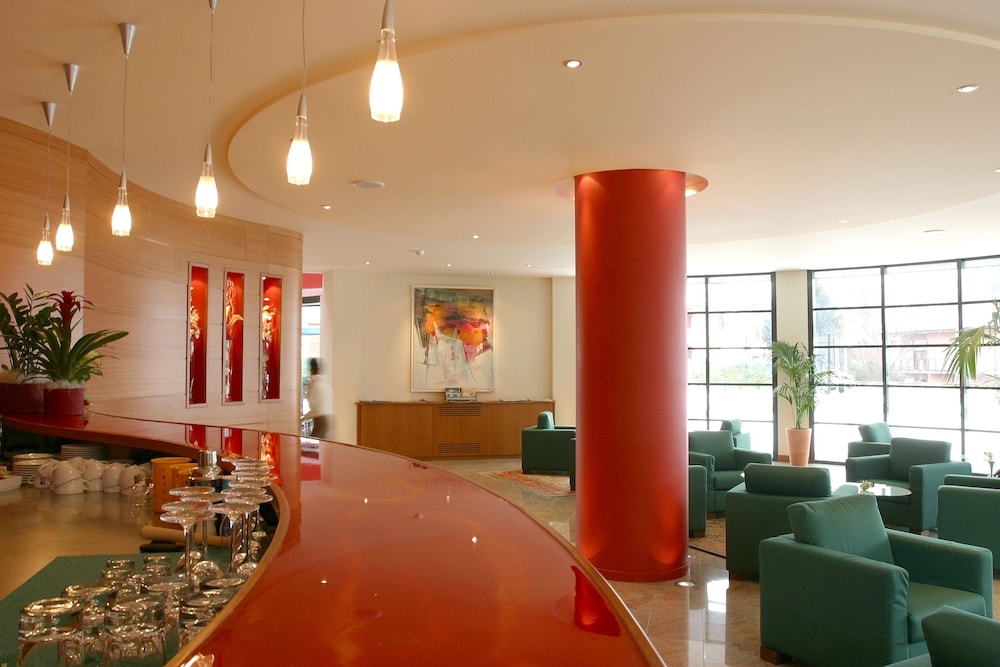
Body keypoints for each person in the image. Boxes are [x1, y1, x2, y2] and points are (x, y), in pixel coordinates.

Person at [303, 358, 332, 438]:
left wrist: (303, 418)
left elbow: (314, 405)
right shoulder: (325, 382)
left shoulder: (315, 384)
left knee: (314, 441)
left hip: (320, 419)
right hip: (327, 418)